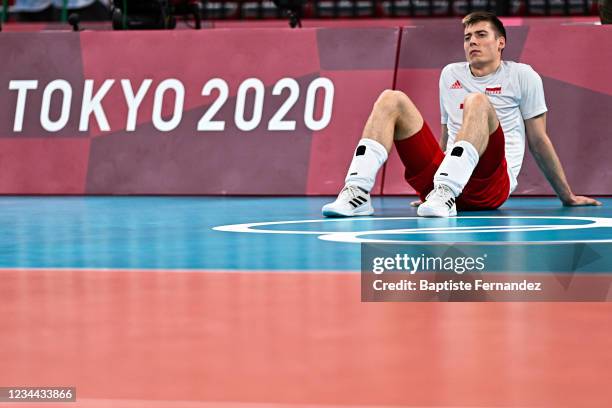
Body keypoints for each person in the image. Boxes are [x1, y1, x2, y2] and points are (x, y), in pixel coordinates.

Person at [322, 11, 601, 218]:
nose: (472, 42)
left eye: (481, 35)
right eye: (468, 37)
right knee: (390, 99)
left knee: (477, 101)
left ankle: (446, 190)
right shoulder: (450, 74)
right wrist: (431, 185)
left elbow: (539, 140)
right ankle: (357, 192)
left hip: (489, 186)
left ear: (501, 42)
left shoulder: (522, 75)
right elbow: (445, 134)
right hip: (444, 181)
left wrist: (567, 196)